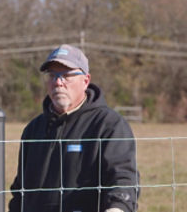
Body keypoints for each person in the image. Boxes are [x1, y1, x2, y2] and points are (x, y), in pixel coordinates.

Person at [8, 44, 139, 212]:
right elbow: (21, 190)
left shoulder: (108, 125)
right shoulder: (33, 129)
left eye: (66, 75)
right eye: (52, 75)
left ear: (85, 81)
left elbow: (123, 181)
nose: (58, 82)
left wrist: (117, 208)